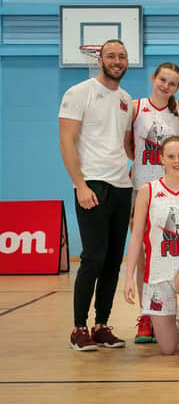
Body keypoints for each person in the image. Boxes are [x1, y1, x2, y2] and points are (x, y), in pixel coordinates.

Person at [59, 39, 133, 351]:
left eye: (122, 56)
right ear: (100, 59)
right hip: (93, 184)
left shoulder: (126, 99)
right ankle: (79, 328)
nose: (117, 61)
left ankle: (101, 324)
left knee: (114, 260)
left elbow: (127, 146)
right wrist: (80, 184)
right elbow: (66, 140)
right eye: (112, 56)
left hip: (122, 186)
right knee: (92, 258)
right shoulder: (80, 92)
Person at [123, 136, 179, 365]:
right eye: (171, 156)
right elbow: (136, 238)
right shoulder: (147, 191)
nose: (176, 160)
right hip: (157, 273)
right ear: (161, 159)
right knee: (168, 348)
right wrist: (129, 276)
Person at [124, 62, 179, 344]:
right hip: (140, 189)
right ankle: (146, 314)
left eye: (172, 83)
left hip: (173, 189)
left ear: (177, 87)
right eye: (162, 79)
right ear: (153, 78)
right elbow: (129, 145)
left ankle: (177, 313)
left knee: (176, 251)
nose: (165, 86)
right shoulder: (136, 107)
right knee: (143, 255)